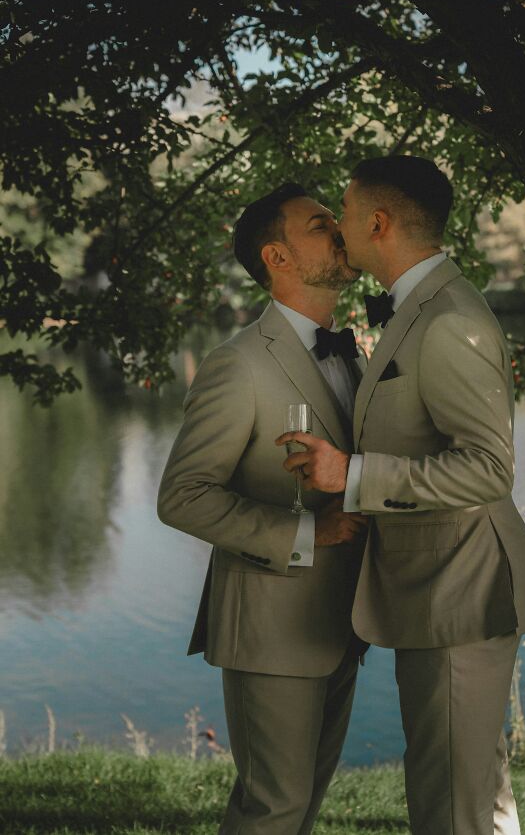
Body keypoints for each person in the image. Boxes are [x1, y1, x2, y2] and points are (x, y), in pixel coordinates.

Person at [277, 157, 525, 835]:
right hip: (438, 590)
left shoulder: (450, 318)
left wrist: (353, 475)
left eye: (343, 211)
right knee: (480, 794)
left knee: (449, 803)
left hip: (459, 591)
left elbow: (488, 468)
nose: (338, 225)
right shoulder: (419, 307)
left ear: (378, 222)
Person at [157, 182, 369, 835]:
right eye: (318, 223)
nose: (338, 228)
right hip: (271, 625)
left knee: (301, 808)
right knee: (270, 809)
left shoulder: (353, 355)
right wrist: (309, 531)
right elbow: (182, 496)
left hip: (343, 624)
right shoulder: (237, 365)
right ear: (277, 257)